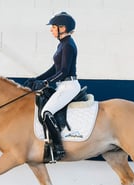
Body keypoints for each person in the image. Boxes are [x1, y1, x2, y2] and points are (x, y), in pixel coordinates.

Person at [24, 12, 81, 160]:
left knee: (47, 112)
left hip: (69, 85)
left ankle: (58, 148)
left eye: (54, 27)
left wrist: (46, 82)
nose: (51, 30)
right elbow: (54, 69)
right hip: (63, 85)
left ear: (63, 28)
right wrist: (37, 79)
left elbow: (63, 71)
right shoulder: (62, 44)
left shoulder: (68, 45)